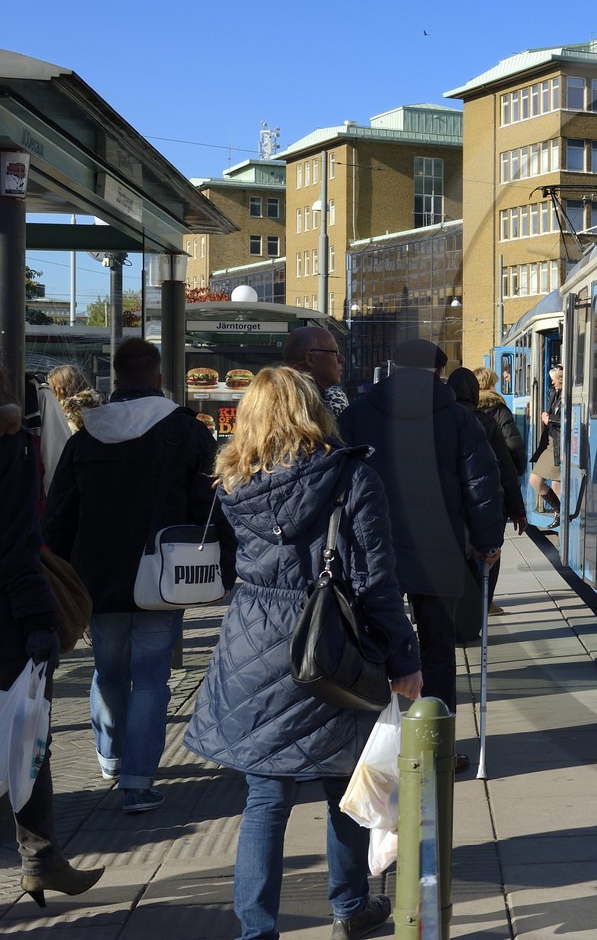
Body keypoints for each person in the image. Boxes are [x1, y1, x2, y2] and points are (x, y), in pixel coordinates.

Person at [184, 367, 422, 940]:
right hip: (332, 642)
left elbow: (221, 567)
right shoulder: (352, 477)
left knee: (265, 798)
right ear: (315, 410)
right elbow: (375, 581)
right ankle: (349, 907)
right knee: (344, 781)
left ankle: (256, 929)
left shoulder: (234, 481)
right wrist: (405, 655)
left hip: (253, 645)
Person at [42, 337, 235, 813]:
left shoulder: (86, 434)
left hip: (95, 576)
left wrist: (59, 574)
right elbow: (212, 509)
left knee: (107, 670)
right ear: (157, 378)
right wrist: (224, 573)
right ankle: (138, 781)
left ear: (116, 377)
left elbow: (60, 515)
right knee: (151, 678)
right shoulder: (186, 433)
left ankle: (110, 755)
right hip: (162, 575)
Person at [340, 338, 502, 772]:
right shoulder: (457, 418)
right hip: (438, 550)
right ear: (437, 372)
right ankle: (435, 749)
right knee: (437, 649)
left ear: (392, 368)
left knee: (375, 647)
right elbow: (482, 487)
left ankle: (374, 749)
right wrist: (488, 542)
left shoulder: (356, 415)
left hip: (371, 550)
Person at [2, 363, 104, 908]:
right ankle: (40, 858)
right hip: (6, 619)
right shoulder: (9, 445)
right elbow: (16, 549)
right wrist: (42, 622)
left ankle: (43, 859)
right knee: (26, 734)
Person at [448, 367, 525, 627]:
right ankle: (479, 611)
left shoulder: (438, 418)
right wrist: (517, 508)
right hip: (488, 499)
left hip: (450, 503)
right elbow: (507, 465)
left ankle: (456, 615)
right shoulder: (488, 419)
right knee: (488, 553)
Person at [283, 325, 350, 418]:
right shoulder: (332, 401)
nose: (341, 359)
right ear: (310, 359)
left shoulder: (272, 400)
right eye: (335, 352)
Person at [528, 365, 564, 513]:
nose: (552, 383)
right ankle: (561, 514)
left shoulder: (567, 395)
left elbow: (566, 419)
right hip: (551, 441)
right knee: (554, 484)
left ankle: (561, 514)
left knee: (538, 481)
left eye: (554, 380)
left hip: (558, 443)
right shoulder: (555, 393)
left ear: (561, 379)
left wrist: (549, 419)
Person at [46, 363, 101, 434]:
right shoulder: (99, 407)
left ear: (62, 390)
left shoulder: (64, 420)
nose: (50, 393)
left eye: (52, 389)